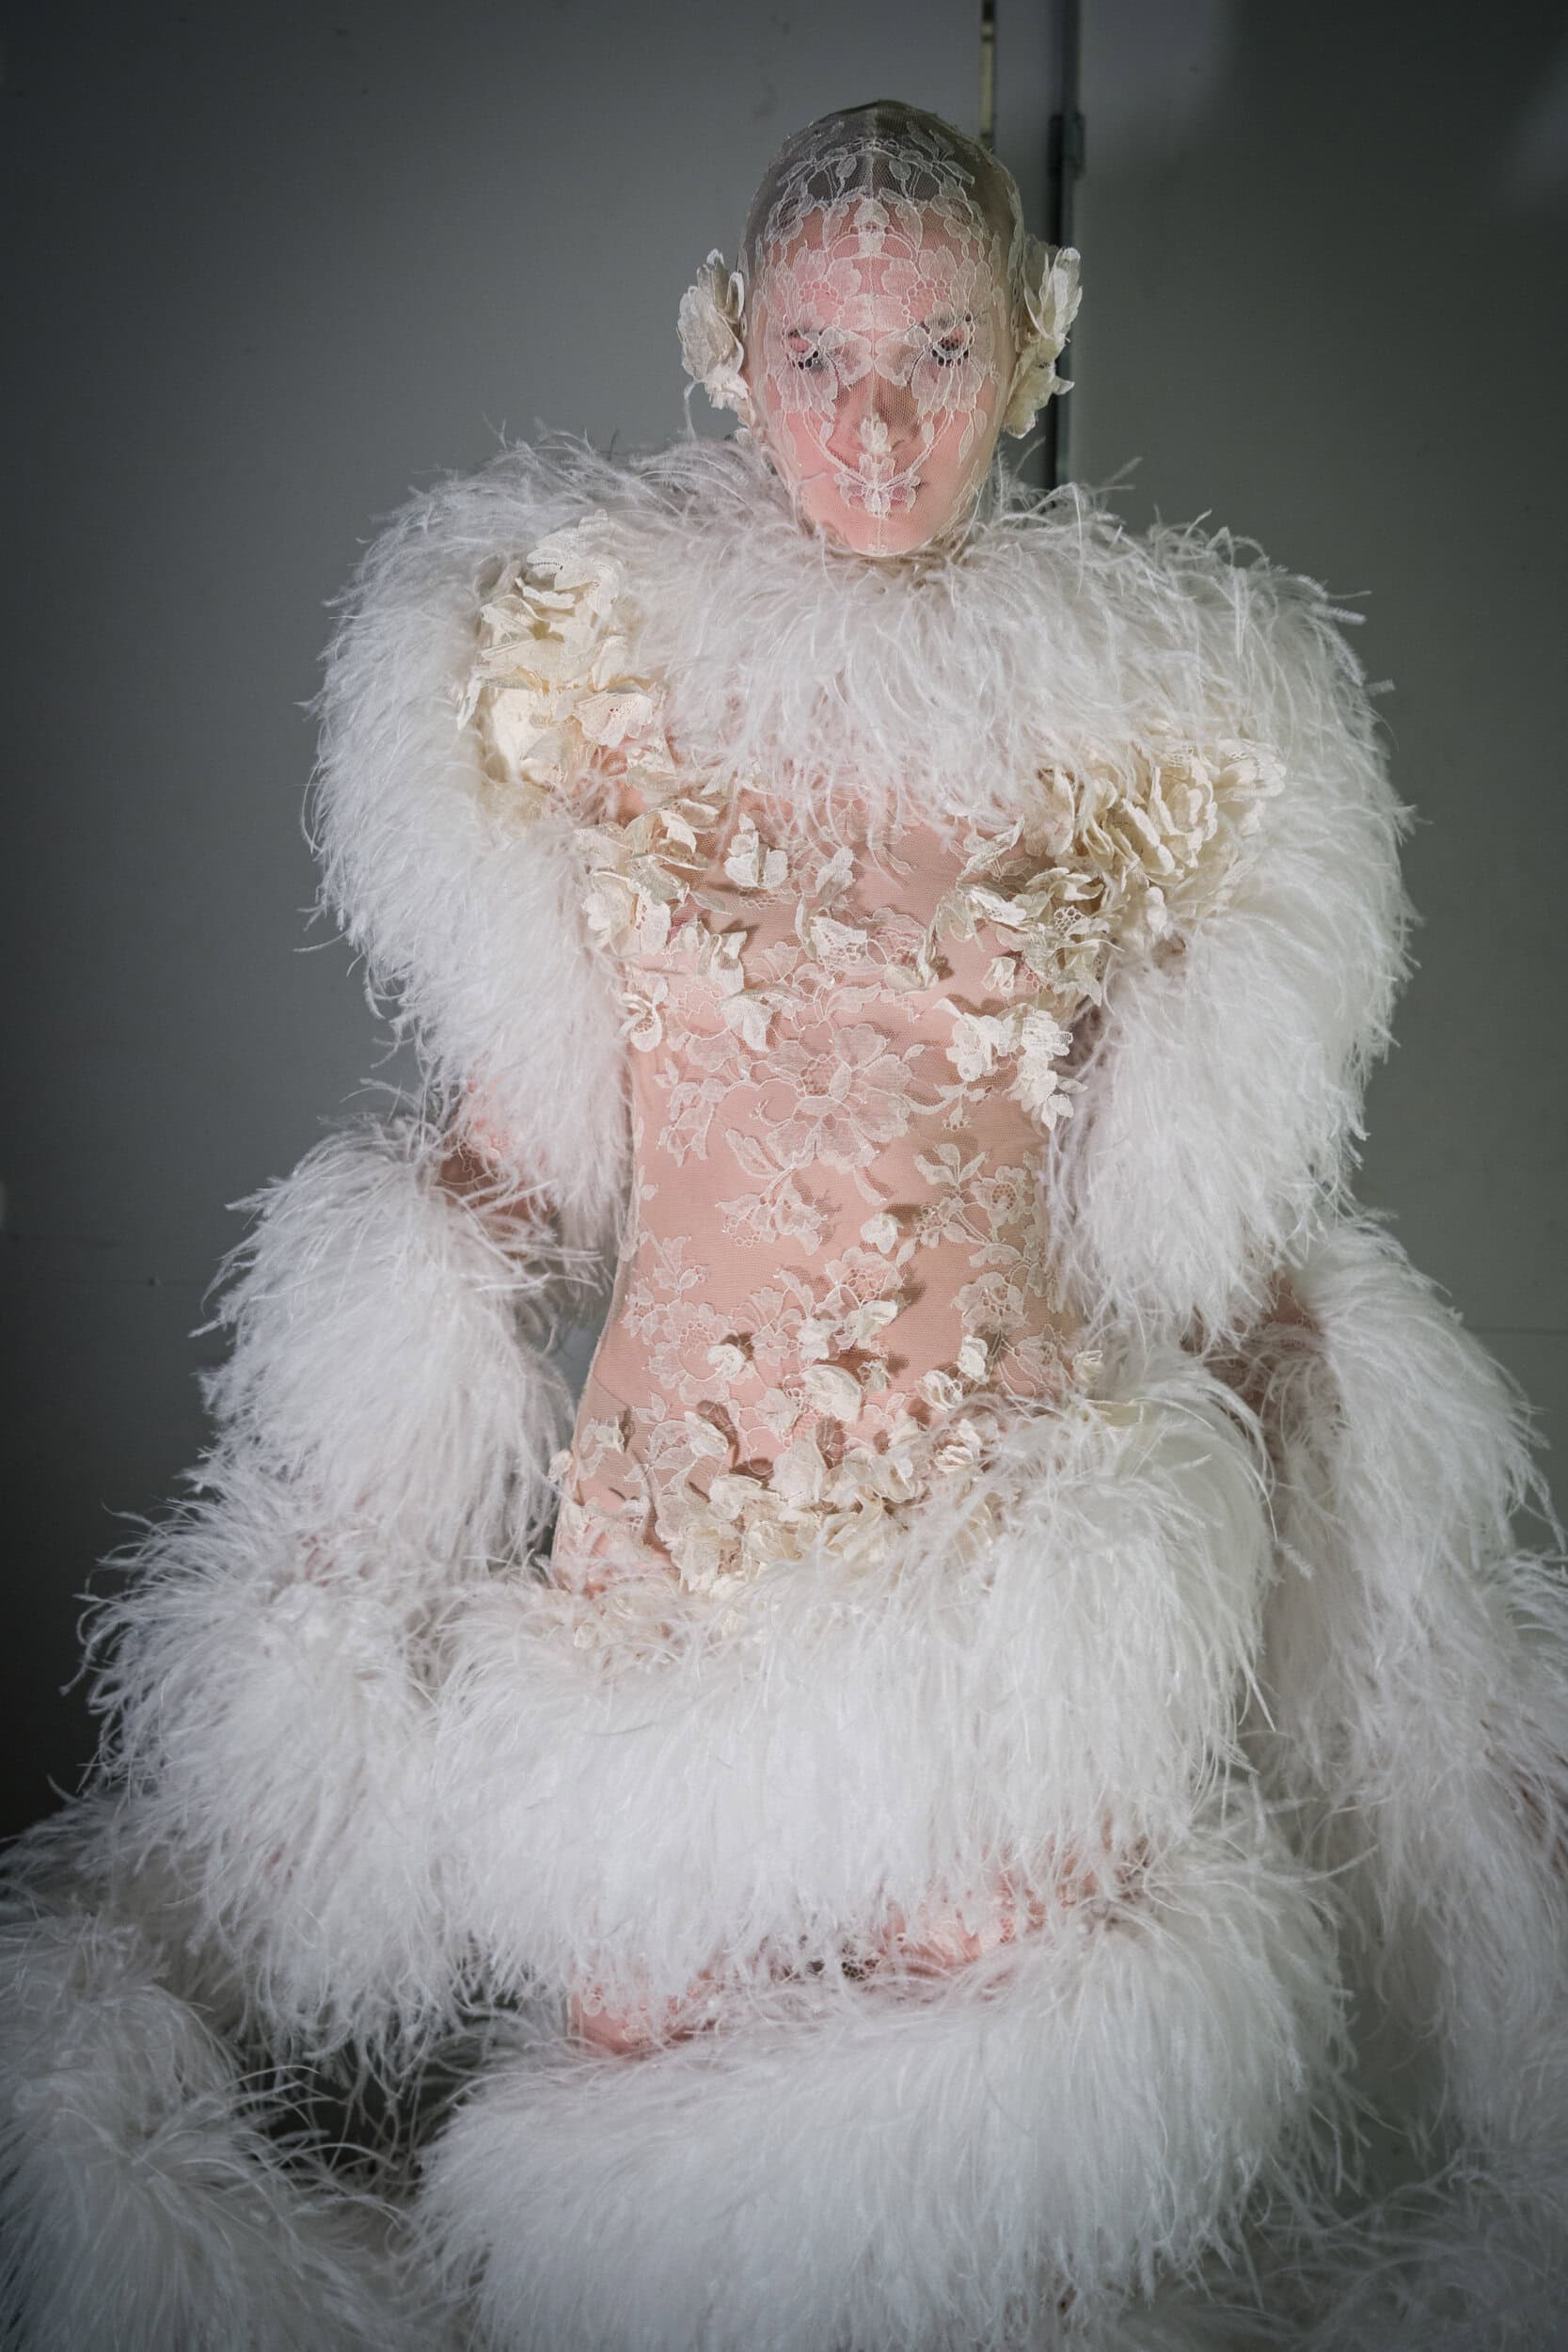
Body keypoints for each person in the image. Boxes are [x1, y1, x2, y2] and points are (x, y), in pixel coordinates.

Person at [3, 99, 1565, 2352]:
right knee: (642, 2073)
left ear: (1030, 349)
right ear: (734, 351)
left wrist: (1418, 1617)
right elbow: (518, 1146)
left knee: (1015, 2108)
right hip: (670, 1548)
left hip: (1003, 1546)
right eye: (821, 357)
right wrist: (332, 1537)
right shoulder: (584, 678)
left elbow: (1203, 1215)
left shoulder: (1154, 733)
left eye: (936, 354)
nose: (876, 424)